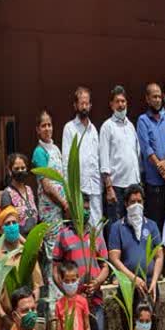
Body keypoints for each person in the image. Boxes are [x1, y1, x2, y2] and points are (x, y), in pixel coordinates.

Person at [31, 110, 67, 306]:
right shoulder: (39, 152)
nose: (47, 129)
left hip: (60, 207)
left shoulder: (55, 148)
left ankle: (61, 291)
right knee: (52, 250)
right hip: (50, 207)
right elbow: (46, 184)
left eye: (49, 125)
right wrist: (64, 203)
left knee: (60, 248)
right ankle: (54, 297)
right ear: (37, 129)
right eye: (43, 125)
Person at [108, 184, 163, 303]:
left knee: (151, 320)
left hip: (149, 285)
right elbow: (114, 258)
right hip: (127, 285)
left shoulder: (152, 226)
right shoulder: (117, 227)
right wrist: (133, 278)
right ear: (126, 204)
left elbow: (159, 256)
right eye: (133, 202)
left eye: (139, 201)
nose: (136, 205)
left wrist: (154, 281)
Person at [0, 206, 44, 330]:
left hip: (27, 316)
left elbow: (36, 285)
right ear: (1, 230)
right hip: (5, 320)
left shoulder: (27, 253)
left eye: (14, 222)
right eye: (7, 224)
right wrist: (5, 318)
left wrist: (31, 311)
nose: (12, 226)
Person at [138, 82, 165, 228]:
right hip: (154, 184)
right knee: (155, 223)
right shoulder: (142, 120)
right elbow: (147, 149)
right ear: (147, 99)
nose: (157, 100)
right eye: (154, 97)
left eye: (159, 97)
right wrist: (161, 169)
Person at [99, 85, 142, 223]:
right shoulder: (107, 126)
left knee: (133, 224)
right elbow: (104, 159)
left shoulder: (131, 126)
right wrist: (109, 188)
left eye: (123, 101)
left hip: (133, 186)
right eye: (117, 101)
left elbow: (136, 155)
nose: (121, 105)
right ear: (111, 104)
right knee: (116, 226)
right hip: (116, 187)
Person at [62, 86, 102, 227]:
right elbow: (67, 161)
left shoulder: (94, 130)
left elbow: (98, 158)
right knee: (79, 228)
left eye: (87, 103)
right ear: (75, 105)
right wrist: (70, 191)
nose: (84, 107)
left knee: (96, 228)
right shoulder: (69, 128)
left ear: (90, 105)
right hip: (78, 188)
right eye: (81, 103)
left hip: (95, 187)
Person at [0, 153, 39, 236]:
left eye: (23, 168)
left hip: (34, 239)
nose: (20, 171)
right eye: (16, 169)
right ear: (10, 171)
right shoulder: (7, 194)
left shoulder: (29, 190)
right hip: (19, 242)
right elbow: (9, 226)